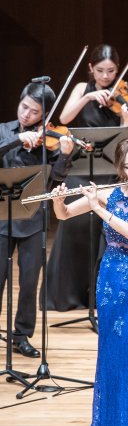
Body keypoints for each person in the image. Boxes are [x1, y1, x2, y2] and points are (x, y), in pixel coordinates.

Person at [52, 138, 128, 426]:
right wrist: (58, 199)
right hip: (111, 277)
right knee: (112, 350)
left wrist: (96, 208)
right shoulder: (106, 192)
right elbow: (62, 215)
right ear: (119, 168)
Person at [46, 44, 128, 312]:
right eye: (100, 71)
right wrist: (88, 97)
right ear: (90, 69)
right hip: (80, 167)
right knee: (75, 227)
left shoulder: (122, 96)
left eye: (111, 71)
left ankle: (99, 299)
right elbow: (64, 117)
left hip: (108, 167)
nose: (106, 77)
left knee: (105, 231)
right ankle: (65, 296)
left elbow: (126, 141)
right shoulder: (81, 89)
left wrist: (127, 119)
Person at [0, 81, 74, 358]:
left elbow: (56, 179)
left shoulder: (49, 140)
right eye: (24, 107)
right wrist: (17, 140)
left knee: (29, 282)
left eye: (34, 113)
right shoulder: (3, 131)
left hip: (33, 220)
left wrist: (65, 155)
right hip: (1, 220)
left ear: (44, 116)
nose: (26, 115)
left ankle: (21, 336)